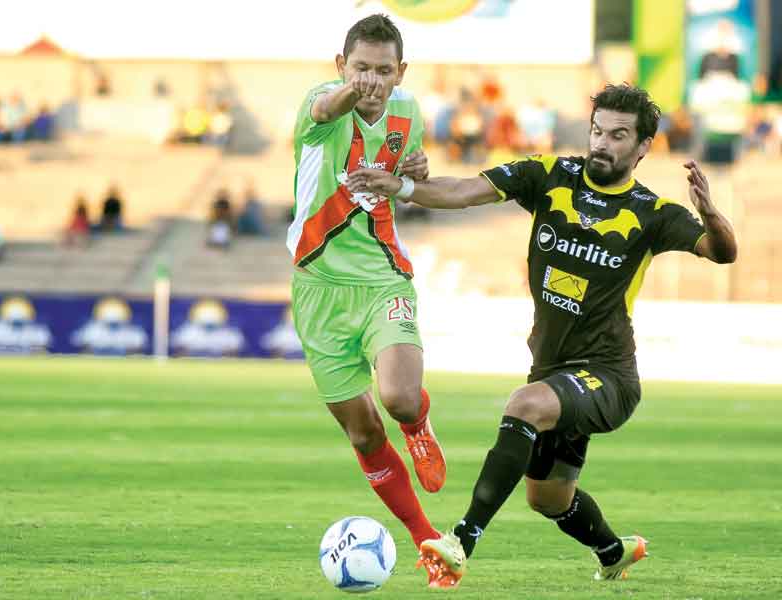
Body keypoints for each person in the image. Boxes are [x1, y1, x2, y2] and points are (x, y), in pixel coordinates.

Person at [347, 83, 738, 588]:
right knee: (548, 498)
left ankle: (460, 541)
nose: (602, 143)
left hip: (608, 376)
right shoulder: (550, 176)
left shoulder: (653, 212)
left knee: (525, 404)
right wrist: (399, 188)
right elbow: (462, 191)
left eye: (618, 136)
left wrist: (710, 213)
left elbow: (722, 252)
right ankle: (614, 551)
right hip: (552, 370)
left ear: (643, 146)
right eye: (597, 131)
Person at [286, 14, 445, 562]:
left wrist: (417, 170)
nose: (371, 80)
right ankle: (426, 539)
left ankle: (418, 425)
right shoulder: (322, 105)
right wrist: (352, 92)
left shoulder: (408, 112)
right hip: (318, 287)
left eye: (382, 70)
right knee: (363, 433)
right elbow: (325, 111)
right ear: (340, 66)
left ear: (401, 72)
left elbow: (407, 182)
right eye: (360, 69)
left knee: (399, 398)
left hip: (382, 276)